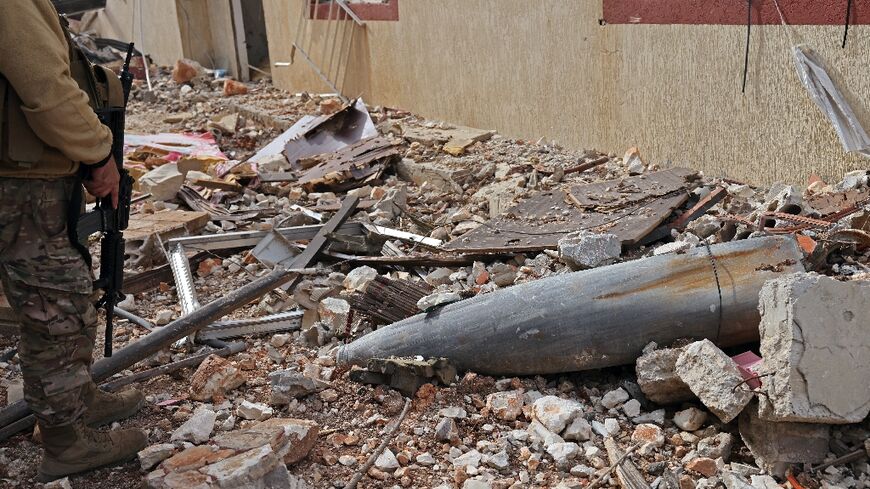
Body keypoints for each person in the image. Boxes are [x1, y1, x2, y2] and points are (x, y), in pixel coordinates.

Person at [0, 0, 147, 482]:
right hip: (22, 182)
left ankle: (75, 399)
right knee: (55, 307)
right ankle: (67, 442)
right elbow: (47, 90)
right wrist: (98, 153)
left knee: (66, 293)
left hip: (32, 174)